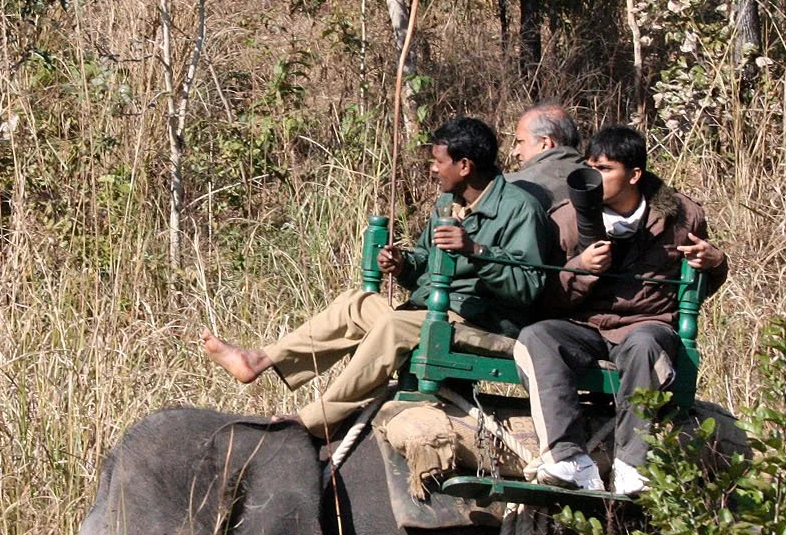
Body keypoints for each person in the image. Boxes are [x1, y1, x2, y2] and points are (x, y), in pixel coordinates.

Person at [203, 116, 561, 437]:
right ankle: (258, 361)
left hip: (486, 325)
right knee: (356, 304)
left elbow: (527, 287)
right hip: (436, 312)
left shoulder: (519, 210)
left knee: (395, 325)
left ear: (464, 165)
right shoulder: (446, 204)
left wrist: (476, 251)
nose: (432, 170)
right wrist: (403, 264)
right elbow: (427, 262)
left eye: (438, 162)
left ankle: (317, 420)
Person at [515, 123, 729, 493]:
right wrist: (581, 269)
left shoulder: (682, 216)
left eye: (605, 169)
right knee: (538, 336)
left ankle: (632, 465)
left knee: (645, 345)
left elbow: (700, 286)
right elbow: (546, 298)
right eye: (590, 167)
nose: (593, 178)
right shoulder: (566, 217)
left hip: (646, 325)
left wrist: (715, 261)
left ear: (634, 175)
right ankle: (568, 459)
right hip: (584, 326)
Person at [506, 104, 586, 210]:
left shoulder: (512, 186)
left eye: (521, 142)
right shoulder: (599, 177)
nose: (515, 152)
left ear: (545, 143)